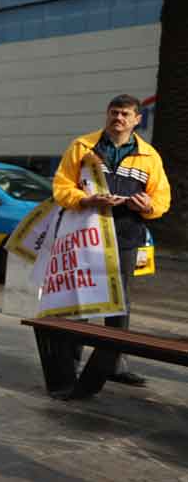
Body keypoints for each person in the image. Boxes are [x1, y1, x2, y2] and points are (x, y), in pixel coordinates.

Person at [53, 94, 171, 395]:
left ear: (137, 119)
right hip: (86, 233)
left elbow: (162, 199)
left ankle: (115, 364)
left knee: (119, 302)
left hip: (126, 236)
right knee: (80, 298)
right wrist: (85, 199)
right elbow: (61, 187)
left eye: (125, 114)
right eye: (114, 112)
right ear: (107, 114)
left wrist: (147, 206)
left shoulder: (150, 156)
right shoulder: (82, 147)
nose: (118, 118)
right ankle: (72, 362)